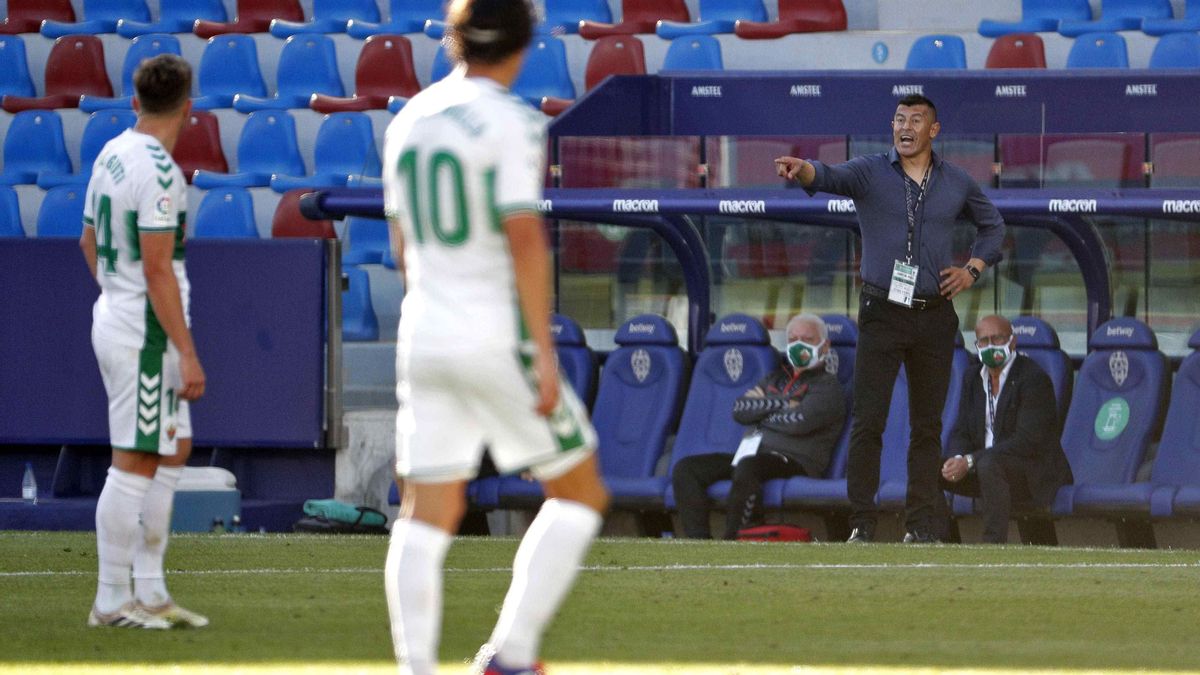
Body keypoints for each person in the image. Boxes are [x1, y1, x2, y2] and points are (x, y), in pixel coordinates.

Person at [380, 0, 609, 673]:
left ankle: (417, 665)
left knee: (427, 507)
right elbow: (525, 240)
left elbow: (401, 242)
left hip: (423, 327)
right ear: (523, 43)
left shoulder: (411, 117)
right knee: (580, 490)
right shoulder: (512, 120)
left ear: (454, 39)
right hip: (492, 328)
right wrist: (541, 347)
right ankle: (511, 652)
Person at [774, 94, 1005, 543]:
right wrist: (802, 169)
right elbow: (829, 176)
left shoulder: (956, 181)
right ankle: (861, 523)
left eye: (916, 119)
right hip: (881, 311)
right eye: (899, 118)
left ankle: (920, 527)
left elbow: (992, 225)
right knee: (869, 421)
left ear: (933, 131)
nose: (905, 126)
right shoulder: (869, 171)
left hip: (934, 314)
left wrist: (972, 269)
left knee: (926, 426)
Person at [79, 54, 208, 629]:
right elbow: (158, 270)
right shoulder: (160, 172)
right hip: (146, 334)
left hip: (119, 315)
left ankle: (150, 590)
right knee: (133, 460)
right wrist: (186, 350)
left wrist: (116, 295)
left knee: (173, 446)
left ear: (135, 103)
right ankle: (111, 600)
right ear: (189, 107)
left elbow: (86, 241)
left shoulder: (110, 152)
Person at [672, 314, 845, 539]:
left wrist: (761, 410)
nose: (799, 345)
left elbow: (798, 423)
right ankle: (700, 544)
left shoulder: (828, 387)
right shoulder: (775, 379)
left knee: (749, 466)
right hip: (752, 454)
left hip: (795, 461)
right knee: (686, 468)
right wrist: (783, 403)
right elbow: (740, 410)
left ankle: (733, 541)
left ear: (825, 346)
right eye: (793, 340)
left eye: (807, 339)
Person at [940, 315, 1073, 544]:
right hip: (985, 469)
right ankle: (942, 540)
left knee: (989, 464)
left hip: (1030, 473)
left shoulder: (1033, 378)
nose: (991, 346)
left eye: (997, 338)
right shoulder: (972, 377)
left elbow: (1027, 441)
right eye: (984, 341)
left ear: (1012, 341)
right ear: (977, 346)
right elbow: (961, 430)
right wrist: (958, 458)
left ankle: (992, 544)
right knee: (930, 465)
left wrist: (970, 461)